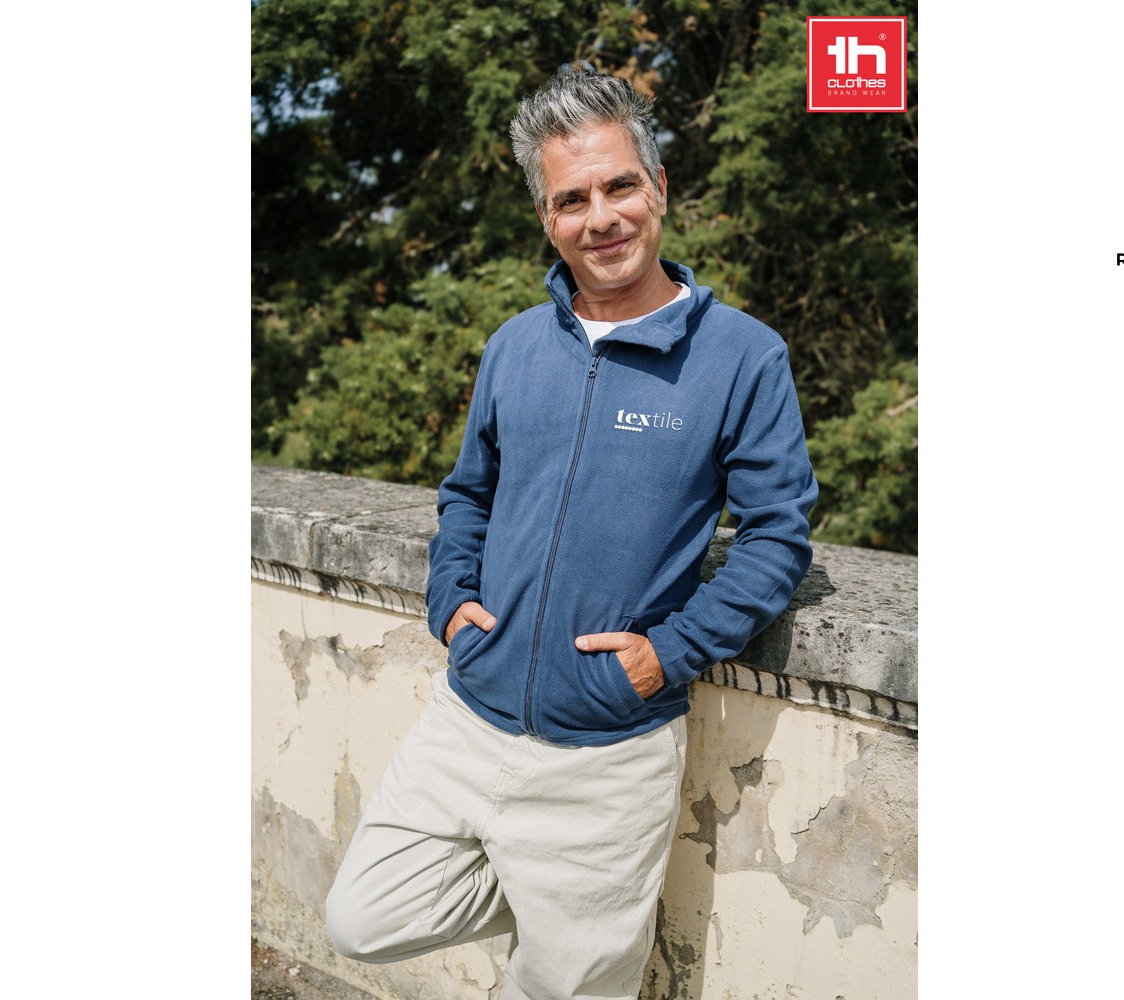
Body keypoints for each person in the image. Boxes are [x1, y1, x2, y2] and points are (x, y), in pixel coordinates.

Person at [325, 67, 817, 1000]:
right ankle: (548, 894)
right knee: (362, 915)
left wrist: (666, 656)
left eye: (619, 186)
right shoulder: (514, 345)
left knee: (568, 989)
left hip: (610, 749)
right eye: (571, 200)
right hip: (468, 717)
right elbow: (467, 494)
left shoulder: (744, 356)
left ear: (658, 188)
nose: (602, 218)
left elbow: (776, 539)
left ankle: (578, 914)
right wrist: (449, 599)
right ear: (547, 219)